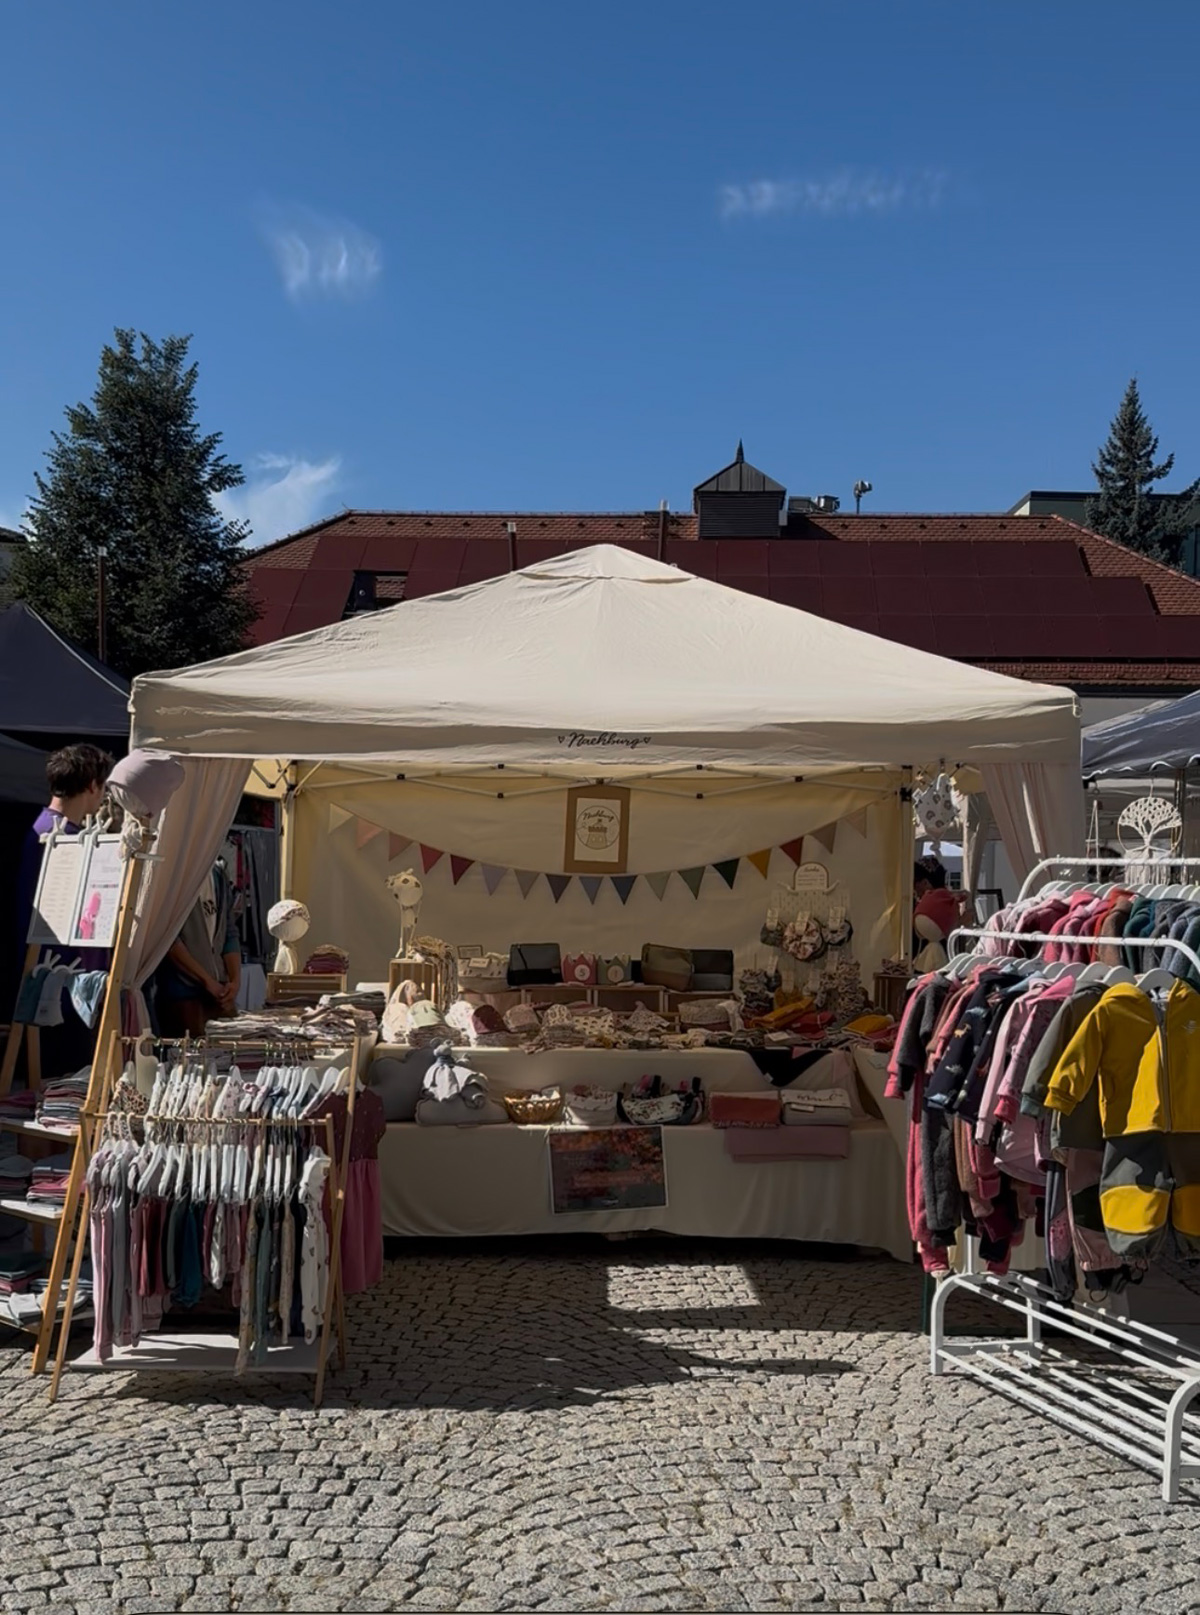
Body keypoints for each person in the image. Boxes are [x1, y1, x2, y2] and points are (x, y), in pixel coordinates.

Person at [16, 743, 114, 949]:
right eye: (103, 786)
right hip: (53, 957)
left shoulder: (44, 825)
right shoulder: (63, 838)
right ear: (92, 786)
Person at [155, 862, 241, 1037]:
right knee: (189, 1057)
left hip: (219, 992)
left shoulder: (217, 875)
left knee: (227, 1054)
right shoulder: (175, 878)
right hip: (183, 993)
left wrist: (235, 981)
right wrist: (207, 981)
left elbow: (229, 933)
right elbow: (170, 941)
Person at [912, 856, 972, 957]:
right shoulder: (949, 903)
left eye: (914, 883)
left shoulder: (918, 906)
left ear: (925, 883)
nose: (913, 887)